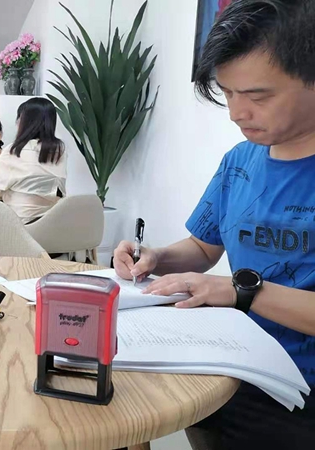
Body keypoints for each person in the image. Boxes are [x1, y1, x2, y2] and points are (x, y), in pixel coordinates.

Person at [113, 1, 315, 449]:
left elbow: (233, 286)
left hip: (300, 392)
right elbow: (204, 249)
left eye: (258, 97)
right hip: (226, 365)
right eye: (227, 93)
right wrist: (157, 257)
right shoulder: (239, 161)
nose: (236, 113)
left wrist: (243, 291)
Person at [0, 98, 66, 224]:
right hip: (52, 225)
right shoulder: (60, 150)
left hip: (19, 226)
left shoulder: (15, 150)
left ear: (24, 122)